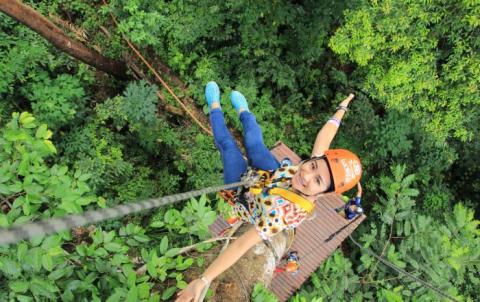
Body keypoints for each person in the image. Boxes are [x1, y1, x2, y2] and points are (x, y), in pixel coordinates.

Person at [175, 81, 362, 302]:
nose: (307, 175)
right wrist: (342, 108)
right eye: (312, 165)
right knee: (254, 140)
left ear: (323, 193)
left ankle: (214, 105)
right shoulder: (310, 168)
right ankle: (244, 111)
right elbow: (326, 136)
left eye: (317, 180)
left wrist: (203, 281)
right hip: (273, 174)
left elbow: (242, 244)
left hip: (246, 194)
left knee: (227, 145)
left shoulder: (282, 214)